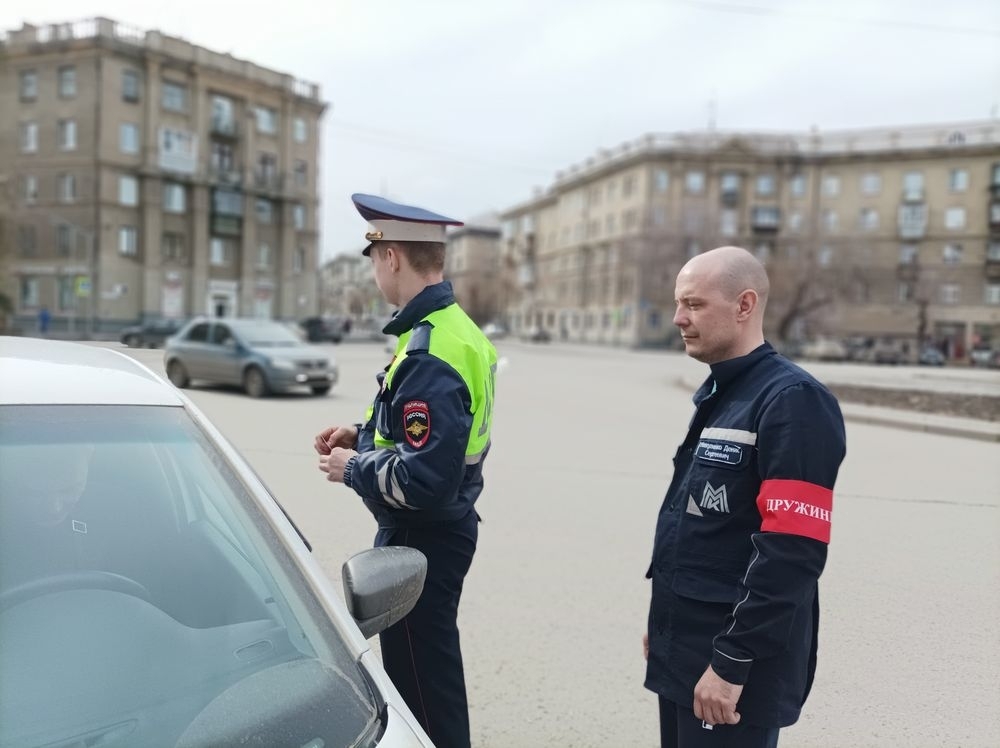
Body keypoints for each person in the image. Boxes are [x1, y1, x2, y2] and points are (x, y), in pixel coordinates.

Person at [644, 246, 846, 748]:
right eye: (677, 304)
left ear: (744, 305)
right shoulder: (725, 393)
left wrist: (732, 660)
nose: (678, 318)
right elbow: (704, 527)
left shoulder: (792, 402)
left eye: (694, 304)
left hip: (732, 669)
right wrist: (666, 625)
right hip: (686, 649)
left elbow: (791, 551)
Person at [315, 193, 498, 748]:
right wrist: (362, 432)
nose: (374, 272)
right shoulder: (452, 330)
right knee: (432, 674)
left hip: (423, 537)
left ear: (391, 256)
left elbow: (426, 479)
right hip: (443, 530)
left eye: (374, 259)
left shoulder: (428, 351)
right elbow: (426, 429)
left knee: (421, 690)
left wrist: (353, 468)